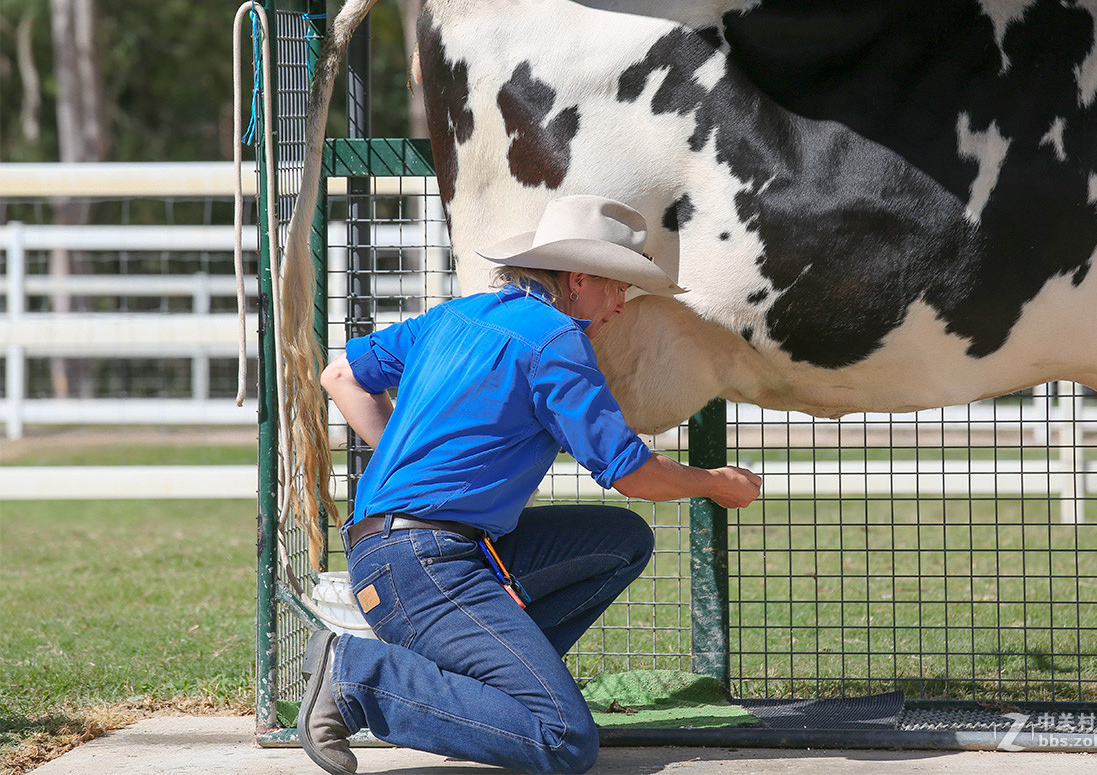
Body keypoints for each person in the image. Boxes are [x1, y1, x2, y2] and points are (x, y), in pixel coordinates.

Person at [300, 195, 762, 775]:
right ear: (579, 279)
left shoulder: (457, 314)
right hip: (427, 565)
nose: (620, 306)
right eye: (618, 287)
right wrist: (714, 482)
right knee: (563, 740)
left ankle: (482, 701)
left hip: (397, 551)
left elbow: (340, 375)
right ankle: (356, 676)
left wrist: (410, 454)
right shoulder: (555, 342)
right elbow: (631, 473)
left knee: (622, 541)